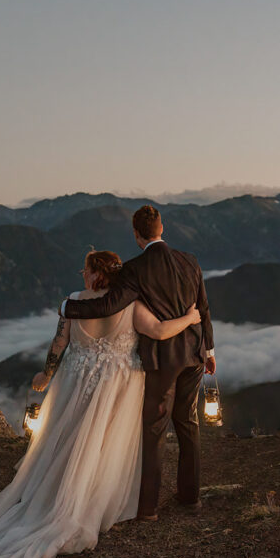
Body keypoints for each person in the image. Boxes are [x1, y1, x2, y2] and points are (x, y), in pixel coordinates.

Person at [0, 249, 200, 558]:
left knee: (67, 438)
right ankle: (90, 495)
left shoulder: (73, 302)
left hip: (76, 382)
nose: (81, 274)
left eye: (85, 269)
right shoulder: (131, 304)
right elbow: (162, 331)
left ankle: (55, 494)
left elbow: (59, 343)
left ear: (94, 274)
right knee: (102, 444)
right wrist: (192, 318)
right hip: (117, 385)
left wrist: (46, 376)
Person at [61, 205, 215, 521]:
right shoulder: (190, 260)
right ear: (162, 228)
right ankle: (190, 498)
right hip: (194, 354)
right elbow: (204, 308)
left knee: (154, 430)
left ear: (136, 234)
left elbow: (108, 305)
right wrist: (210, 351)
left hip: (163, 358)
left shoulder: (135, 269)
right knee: (188, 424)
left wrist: (68, 307)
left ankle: (147, 509)